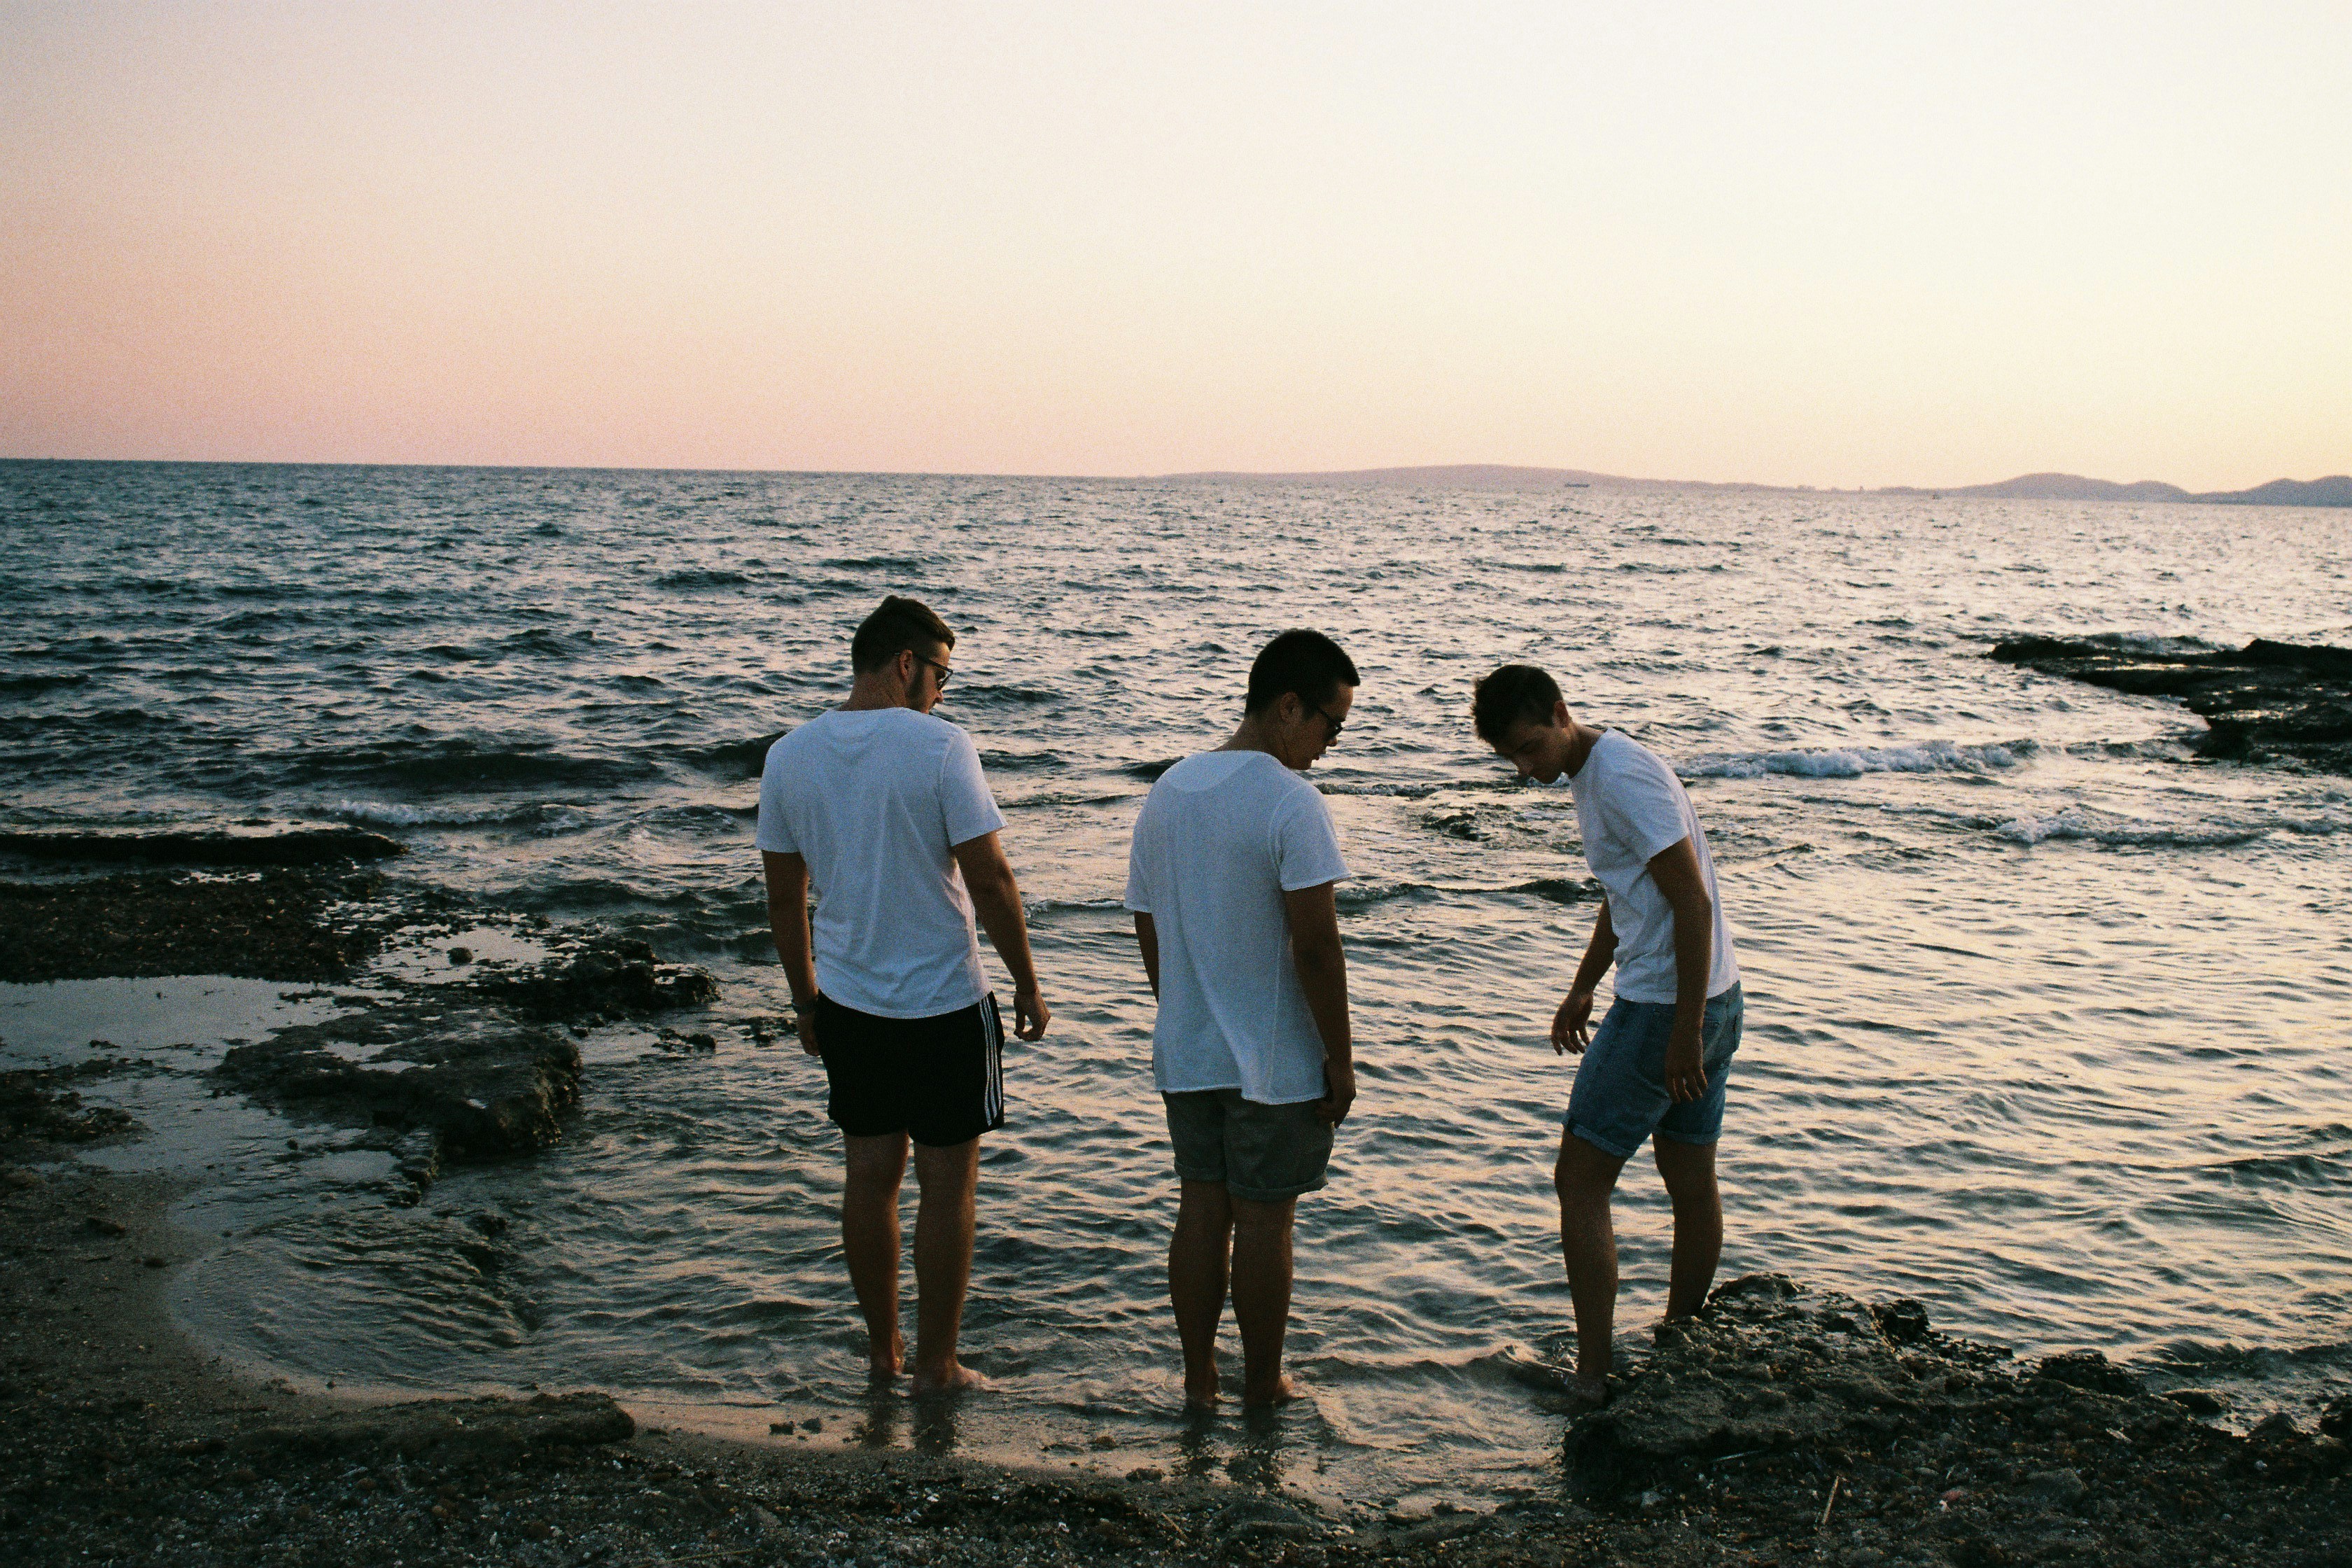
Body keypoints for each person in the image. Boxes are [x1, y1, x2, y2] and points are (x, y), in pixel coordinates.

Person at [757, 594, 1050, 1394]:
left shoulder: (790, 754)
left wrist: (805, 1001)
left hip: (850, 1002)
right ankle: (937, 1362)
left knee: (868, 1176)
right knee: (948, 1186)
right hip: (947, 1004)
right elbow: (990, 878)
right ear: (905, 664)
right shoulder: (942, 748)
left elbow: (785, 897)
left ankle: (882, 1354)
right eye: (943, 674)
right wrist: (1026, 979)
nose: (944, 693)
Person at [1471, 664, 1742, 1410]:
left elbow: (1691, 903)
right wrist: (1585, 981)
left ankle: (1591, 1377)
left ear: (1562, 712)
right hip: (1715, 997)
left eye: (1531, 748)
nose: (1527, 771)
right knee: (1690, 1178)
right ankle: (1680, 1343)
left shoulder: (1619, 777)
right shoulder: (1601, 770)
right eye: (1512, 760)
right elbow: (1628, 891)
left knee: (1579, 1179)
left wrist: (1681, 1029)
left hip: (1669, 1009)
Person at [1124, 628, 1360, 1409]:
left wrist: (1181, 1006)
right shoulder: (1292, 801)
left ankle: (1199, 1382)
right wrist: (1341, 1057)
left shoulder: (1169, 788)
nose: (1332, 743)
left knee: (1200, 1207)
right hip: (1271, 1056)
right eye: (1332, 724)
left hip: (1185, 1047)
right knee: (1263, 1223)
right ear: (1288, 706)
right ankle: (1263, 1384)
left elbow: (1147, 920)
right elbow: (1317, 947)